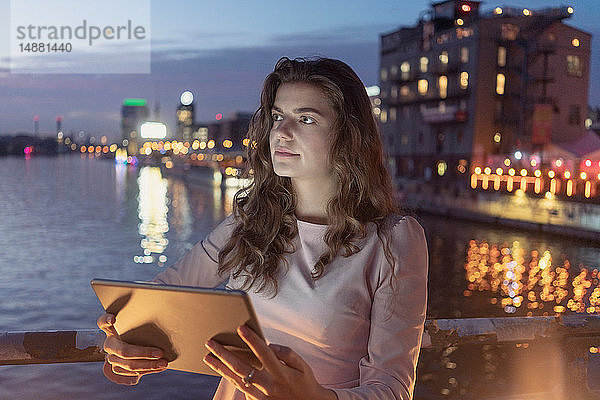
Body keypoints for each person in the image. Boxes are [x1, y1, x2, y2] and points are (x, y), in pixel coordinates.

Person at [98, 56, 428, 400]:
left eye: (306, 119)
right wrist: (125, 341)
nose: (282, 132)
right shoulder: (250, 221)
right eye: (277, 117)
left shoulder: (393, 240)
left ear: (349, 135)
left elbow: (391, 389)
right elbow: (162, 295)